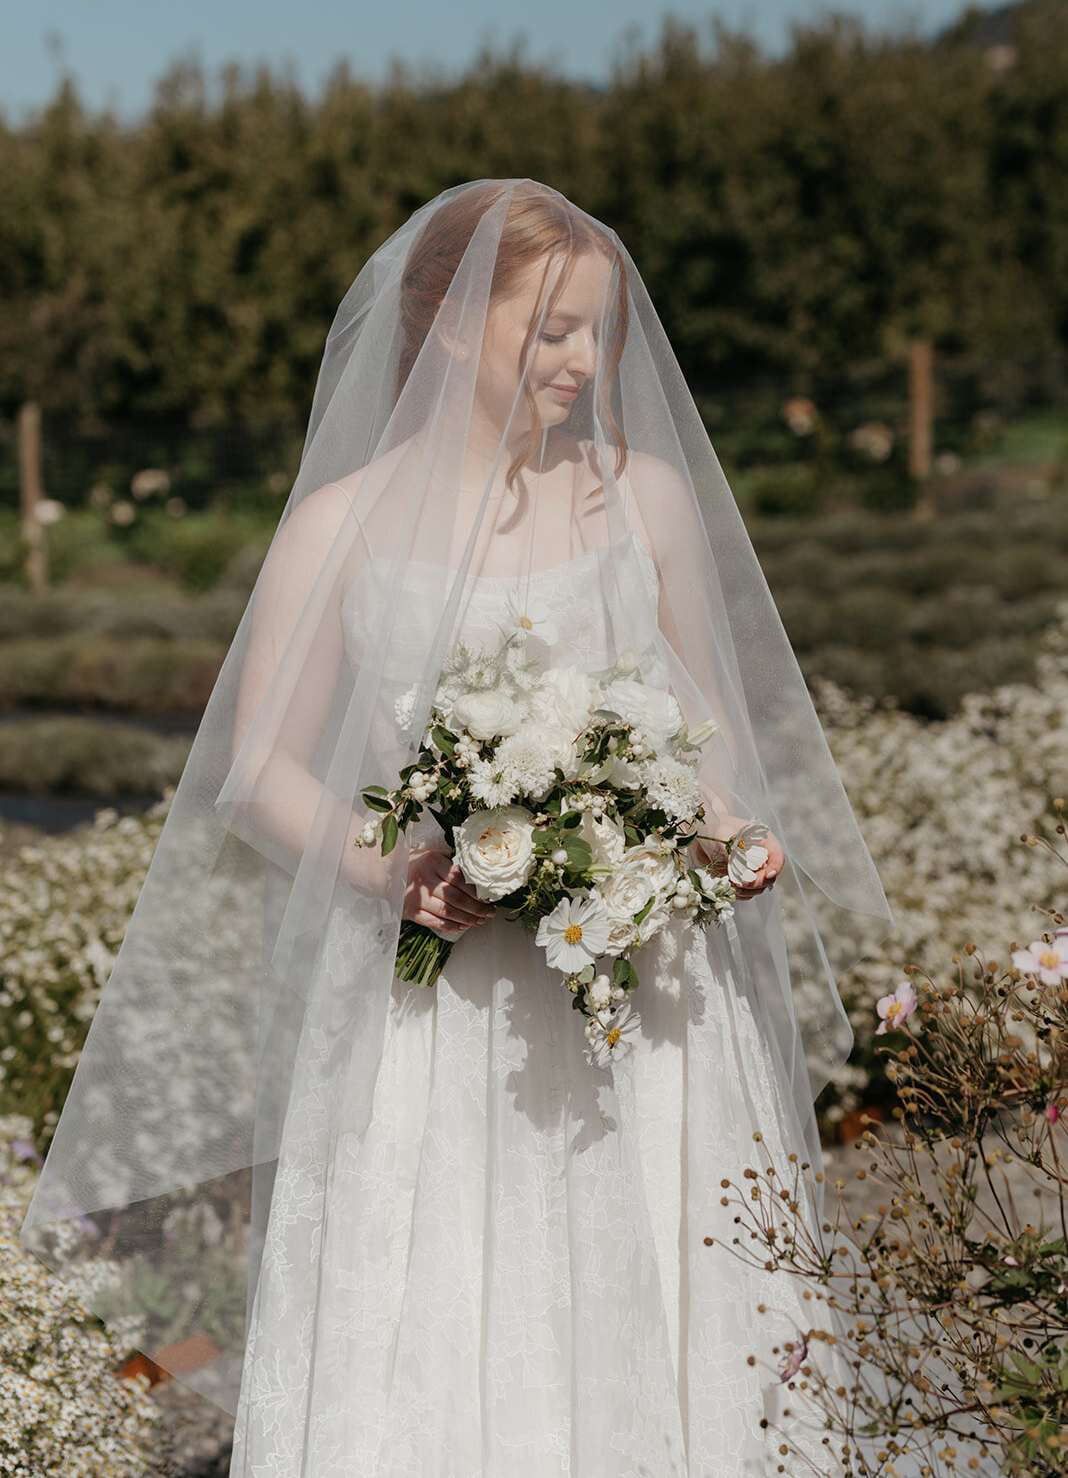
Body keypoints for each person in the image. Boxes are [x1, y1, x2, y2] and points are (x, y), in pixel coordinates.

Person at [20, 180, 892, 1476]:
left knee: (666, 1292)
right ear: (441, 325)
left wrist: (725, 834)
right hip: (436, 1002)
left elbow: (698, 712)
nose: (583, 363)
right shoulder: (338, 527)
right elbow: (260, 769)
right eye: (548, 332)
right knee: (442, 1306)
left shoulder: (641, 497)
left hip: (642, 997)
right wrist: (399, 874)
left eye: (594, 332)